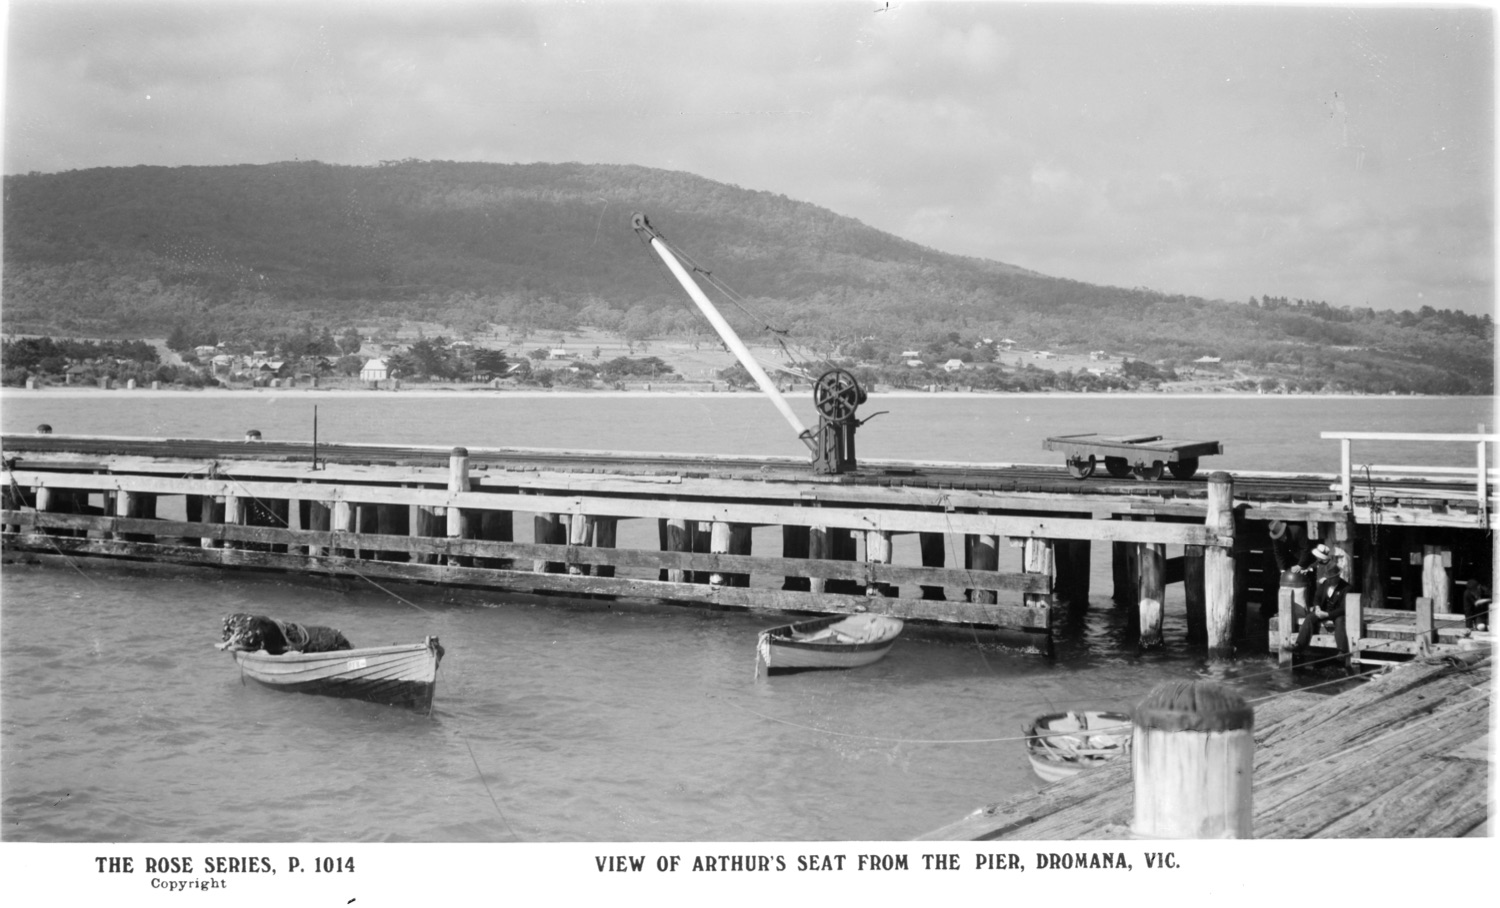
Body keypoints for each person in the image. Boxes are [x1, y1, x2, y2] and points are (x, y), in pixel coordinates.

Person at [1284, 561, 1352, 674]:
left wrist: (1328, 615)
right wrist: (1317, 607)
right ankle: (1299, 645)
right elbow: (1317, 597)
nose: (1329, 580)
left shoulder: (1347, 588)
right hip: (1323, 611)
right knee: (1310, 617)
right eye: (1328, 578)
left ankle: (1342, 651)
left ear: (1337, 577)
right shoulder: (1325, 583)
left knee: (1340, 621)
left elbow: (1344, 608)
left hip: (1337, 613)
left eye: (1331, 578)